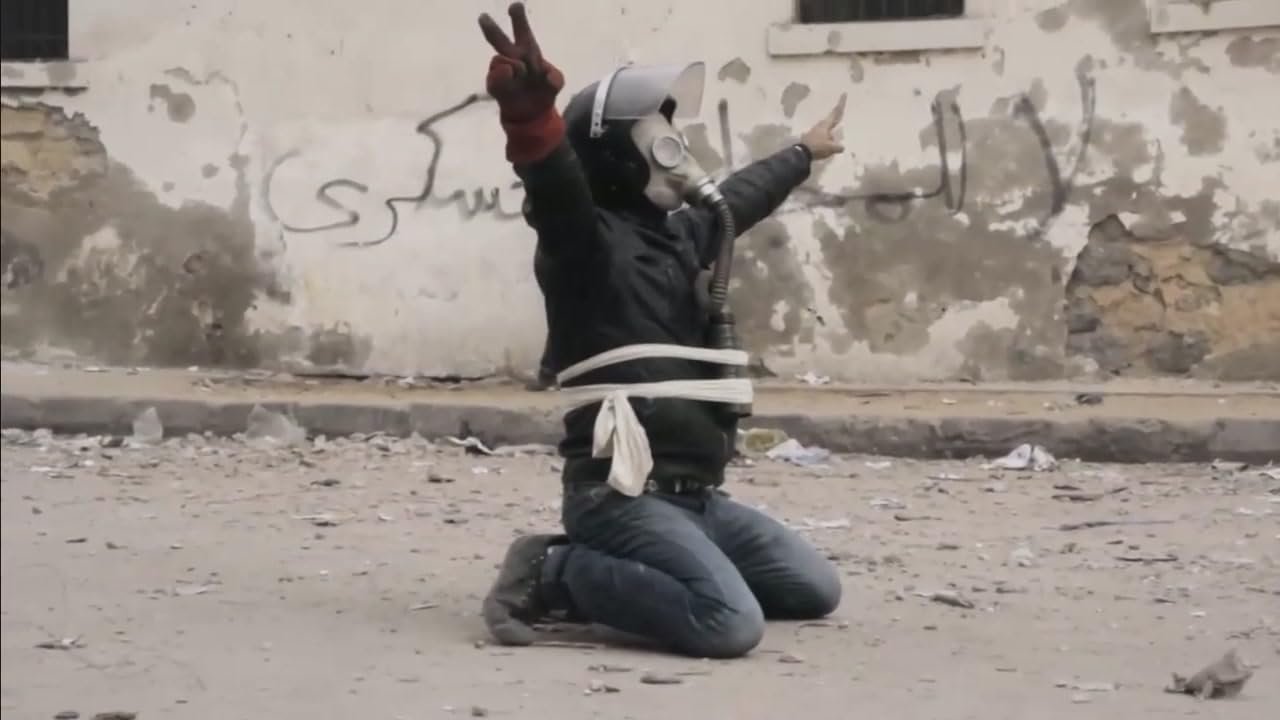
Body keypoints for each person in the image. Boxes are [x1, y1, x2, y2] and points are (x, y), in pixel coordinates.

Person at [478, 3, 847, 659]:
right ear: (619, 156)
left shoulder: (680, 238)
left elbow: (739, 199)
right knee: (728, 623)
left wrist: (801, 154)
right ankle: (555, 572)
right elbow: (555, 188)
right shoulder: (584, 247)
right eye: (663, 141)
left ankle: (667, 565)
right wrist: (532, 120)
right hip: (619, 497)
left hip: (697, 498)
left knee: (813, 589)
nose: (679, 154)